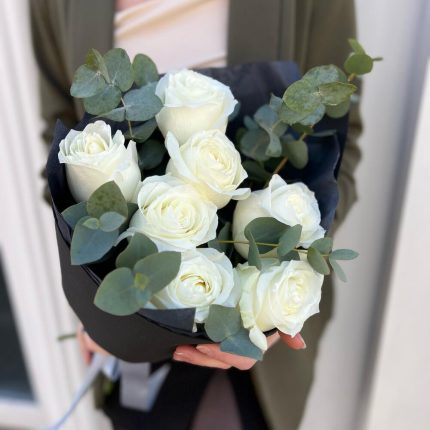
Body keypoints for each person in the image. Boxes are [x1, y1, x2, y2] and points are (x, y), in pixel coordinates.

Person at [30, 1, 362, 429]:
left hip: (248, 343)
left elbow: (339, 147)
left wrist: (275, 295)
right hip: (126, 301)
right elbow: (59, 142)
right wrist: (92, 291)